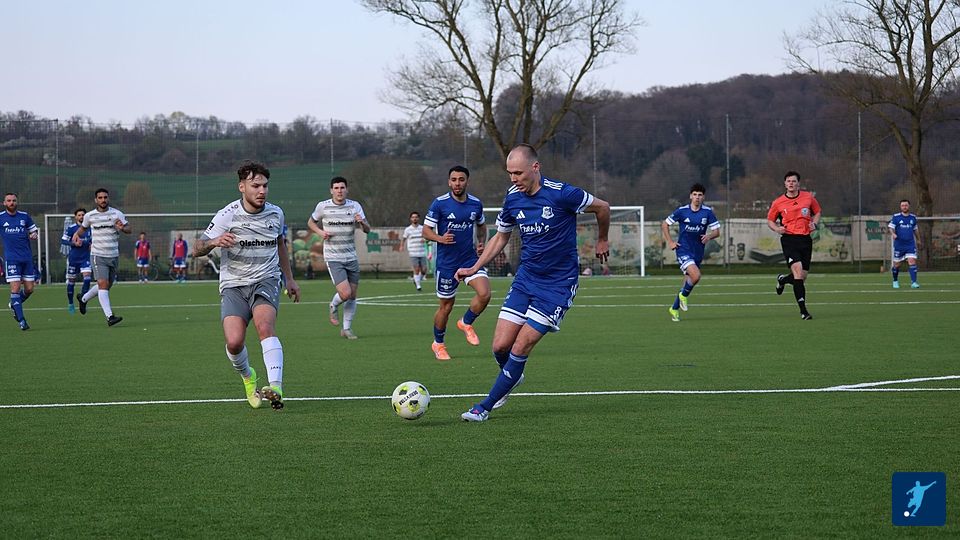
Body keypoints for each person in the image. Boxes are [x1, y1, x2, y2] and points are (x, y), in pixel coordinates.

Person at [456, 144, 610, 421]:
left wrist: (602, 239)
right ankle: (512, 376)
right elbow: (501, 236)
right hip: (526, 280)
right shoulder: (513, 197)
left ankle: (484, 407)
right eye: (509, 173)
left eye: (518, 173)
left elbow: (603, 207)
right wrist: (475, 267)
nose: (513, 179)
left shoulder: (563, 194)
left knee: (520, 347)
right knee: (499, 347)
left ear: (535, 167)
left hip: (557, 285)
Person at [194, 160, 300, 410]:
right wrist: (214, 242)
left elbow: (280, 243)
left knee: (265, 326)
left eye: (265, 185)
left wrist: (289, 278)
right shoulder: (227, 215)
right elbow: (197, 248)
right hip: (233, 285)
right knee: (234, 342)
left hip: (267, 279)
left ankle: (275, 387)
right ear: (242, 187)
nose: (262, 191)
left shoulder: (276, 213)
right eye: (255, 186)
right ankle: (248, 376)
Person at [422, 165, 490, 361]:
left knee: (485, 294)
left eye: (461, 179)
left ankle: (466, 322)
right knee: (446, 306)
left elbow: (482, 225)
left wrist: (481, 243)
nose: (457, 183)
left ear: (467, 181)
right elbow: (425, 231)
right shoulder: (440, 204)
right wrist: (440, 238)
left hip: (469, 259)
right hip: (447, 264)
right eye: (454, 180)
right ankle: (438, 344)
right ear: (448, 182)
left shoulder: (475, 204)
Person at [307, 176, 370, 340]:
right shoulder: (323, 206)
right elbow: (311, 222)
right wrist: (320, 232)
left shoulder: (355, 206)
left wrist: (362, 223)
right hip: (334, 256)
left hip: (351, 256)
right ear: (331, 190)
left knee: (353, 295)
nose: (339, 191)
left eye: (342, 188)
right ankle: (333, 305)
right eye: (336, 188)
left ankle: (347, 329)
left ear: (347, 190)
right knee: (345, 293)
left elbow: (367, 229)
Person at [73, 187, 132, 327]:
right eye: (100, 198)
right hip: (98, 255)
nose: (103, 200)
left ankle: (83, 298)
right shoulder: (90, 216)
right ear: (96, 200)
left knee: (106, 286)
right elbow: (83, 228)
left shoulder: (117, 213)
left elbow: (129, 229)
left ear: (108, 198)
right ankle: (110, 317)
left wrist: (122, 228)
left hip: (113, 255)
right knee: (102, 284)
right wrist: (76, 235)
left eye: (105, 197)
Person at [661, 183, 720, 322]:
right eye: (694, 194)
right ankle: (683, 296)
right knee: (696, 275)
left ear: (703, 197)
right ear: (690, 196)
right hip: (683, 250)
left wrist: (709, 236)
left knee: (689, 281)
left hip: (698, 251)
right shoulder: (682, 211)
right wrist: (670, 242)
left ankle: (674, 309)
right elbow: (665, 224)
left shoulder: (708, 212)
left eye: (700, 195)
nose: (697, 197)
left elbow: (716, 232)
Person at [767, 170, 821, 320]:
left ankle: (783, 280)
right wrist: (777, 229)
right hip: (789, 240)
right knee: (797, 272)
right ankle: (803, 311)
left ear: (798, 184)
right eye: (788, 181)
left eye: (794, 181)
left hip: (805, 240)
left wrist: (815, 224)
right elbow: (770, 220)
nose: (791, 183)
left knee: (802, 277)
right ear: (785, 184)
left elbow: (817, 212)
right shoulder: (778, 202)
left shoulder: (808, 197)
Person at [1, 192, 40, 330]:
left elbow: (34, 231)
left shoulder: (24, 216)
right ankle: (22, 321)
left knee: (29, 289)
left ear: (17, 202)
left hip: (26, 258)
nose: (11, 203)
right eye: (9, 200)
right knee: (15, 288)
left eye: (14, 200)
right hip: (12, 259)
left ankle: (14, 304)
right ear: (4, 203)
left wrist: (34, 234)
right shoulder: (1, 218)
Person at [61, 208, 93, 313]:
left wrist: (91, 245)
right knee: (71, 282)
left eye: (83, 215)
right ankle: (70, 303)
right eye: (79, 215)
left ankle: (82, 299)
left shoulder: (90, 228)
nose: (81, 217)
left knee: (87, 279)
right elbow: (63, 240)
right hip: (74, 259)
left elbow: (92, 241)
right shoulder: (71, 228)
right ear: (75, 217)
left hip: (85, 258)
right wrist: (74, 243)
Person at [888, 199, 921, 289]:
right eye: (902, 205)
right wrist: (893, 234)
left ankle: (914, 282)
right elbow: (890, 227)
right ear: (900, 207)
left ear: (909, 206)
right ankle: (895, 281)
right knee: (897, 265)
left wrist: (918, 239)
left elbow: (915, 230)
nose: (904, 207)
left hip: (910, 244)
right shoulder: (896, 217)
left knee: (912, 261)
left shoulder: (913, 217)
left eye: (906, 205)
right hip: (899, 245)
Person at [400, 211, 428, 291]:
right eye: (413, 217)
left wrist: (425, 240)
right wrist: (401, 246)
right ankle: (418, 286)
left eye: (416, 217)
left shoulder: (422, 228)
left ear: (418, 218)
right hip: (413, 252)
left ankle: (416, 280)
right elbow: (404, 239)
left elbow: (427, 237)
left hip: (422, 252)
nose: (414, 219)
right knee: (416, 269)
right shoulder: (408, 229)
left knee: (424, 270)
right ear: (410, 219)